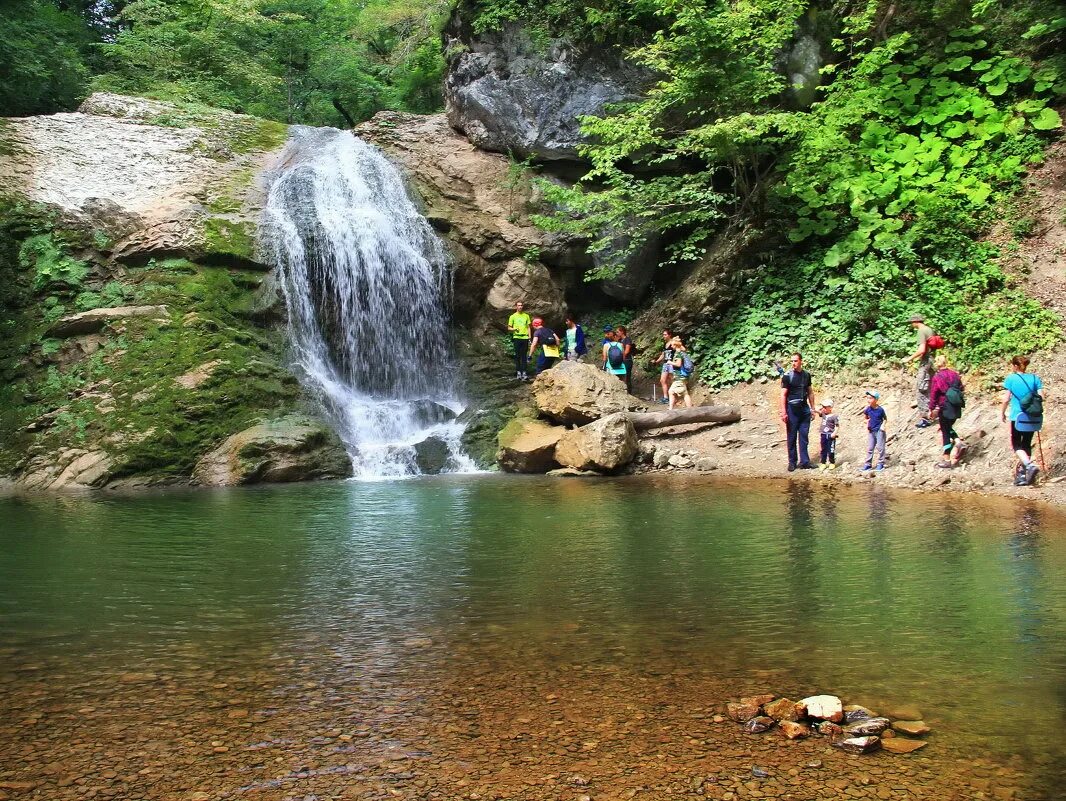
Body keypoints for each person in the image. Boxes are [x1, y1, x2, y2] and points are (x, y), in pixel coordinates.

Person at [1000, 355, 1046, 486]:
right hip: (1033, 417)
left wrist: (1002, 413)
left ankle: (1029, 466)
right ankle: (1024, 474)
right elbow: (1042, 396)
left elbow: (1006, 399)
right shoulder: (1034, 378)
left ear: (1015, 366)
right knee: (1026, 443)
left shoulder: (1011, 378)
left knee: (1016, 445)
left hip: (1017, 416)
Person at [780, 352, 816, 471]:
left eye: (795, 361)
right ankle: (792, 462)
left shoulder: (806, 375)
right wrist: (783, 412)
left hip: (804, 409)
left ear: (801, 361)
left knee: (804, 436)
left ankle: (805, 462)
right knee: (791, 437)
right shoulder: (787, 376)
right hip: (792, 410)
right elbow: (783, 395)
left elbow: (810, 392)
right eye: (792, 361)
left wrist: (812, 408)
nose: (793, 363)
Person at [929, 354, 966, 469]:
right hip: (956, 405)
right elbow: (961, 388)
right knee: (947, 428)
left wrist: (931, 408)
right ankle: (958, 442)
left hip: (945, 406)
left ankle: (947, 460)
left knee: (945, 431)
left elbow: (934, 393)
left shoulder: (937, 377)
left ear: (937, 364)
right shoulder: (954, 374)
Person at [903, 314, 935, 428]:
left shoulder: (921, 331)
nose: (911, 324)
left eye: (912, 322)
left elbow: (921, 350)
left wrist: (909, 359)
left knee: (921, 388)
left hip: (926, 361)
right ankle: (934, 411)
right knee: (929, 386)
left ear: (916, 322)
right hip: (932, 360)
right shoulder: (929, 329)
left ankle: (925, 418)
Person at [861, 390, 888, 472]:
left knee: (880, 447)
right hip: (871, 431)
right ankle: (868, 464)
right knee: (870, 448)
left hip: (879, 430)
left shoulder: (880, 410)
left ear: (876, 399)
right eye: (867, 398)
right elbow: (866, 417)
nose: (868, 400)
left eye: (870, 398)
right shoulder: (868, 409)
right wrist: (867, 422)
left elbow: (885, 419)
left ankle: (881, 463)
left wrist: (883, 426)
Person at [506, 301, 532, 381]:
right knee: (517, 355)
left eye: (521, 305)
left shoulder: (526, 316)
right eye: (518, 305)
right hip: (517, 337)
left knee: (524, 355)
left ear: (522, 306)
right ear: (516, 307)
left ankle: (524, 372)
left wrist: (529, 337)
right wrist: (514, 329)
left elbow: (528, 327)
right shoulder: (513, 316)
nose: (520, 307)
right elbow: (509, 328)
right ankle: (518, 372)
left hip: (525, 338)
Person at [668, 336, 694, 409]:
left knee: (675, 392)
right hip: (682, 376)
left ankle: (671, 410)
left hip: (679, 376)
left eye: (672, 345)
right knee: (679, 392)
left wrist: (670, 362)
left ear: (675, 345)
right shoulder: (681, 352)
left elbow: (678, 364)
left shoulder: (678, 354)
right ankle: (689, 409)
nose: (671, 346)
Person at [651, 329, 675, 404]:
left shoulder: (673, 343)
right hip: (665, 364)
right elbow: (663, 355)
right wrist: (656, 361)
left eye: (665, 334)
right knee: (662, 380)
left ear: (669, 335)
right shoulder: (665, 344)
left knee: (672, 380)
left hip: (672, 363)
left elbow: (679, 350)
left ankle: (674, 397)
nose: (663, 336)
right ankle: (666, 397)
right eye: (663, 334)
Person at [817, 399, 839, 470]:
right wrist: (821, 408)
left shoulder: (834, 416)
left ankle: (832, 462)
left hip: (830, 434)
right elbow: (817, 410)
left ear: (830, 407)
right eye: (823, 407)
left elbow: (837, 426)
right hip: (823, 434)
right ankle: (823, 463)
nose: (823, 409)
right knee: (823, 449)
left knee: (831, 449)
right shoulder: (823, 414)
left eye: (825, 407)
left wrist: (834, 433)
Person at [615, 325, 635, 394]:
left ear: (622, 332)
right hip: (620, 361)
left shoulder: (627, 339)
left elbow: (627, 351)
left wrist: (620, 357)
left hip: (627, 361)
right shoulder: (620, 340)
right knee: (620, 376)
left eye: (617, 332)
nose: (616, 333)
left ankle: (629, 392)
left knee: (627, 377)